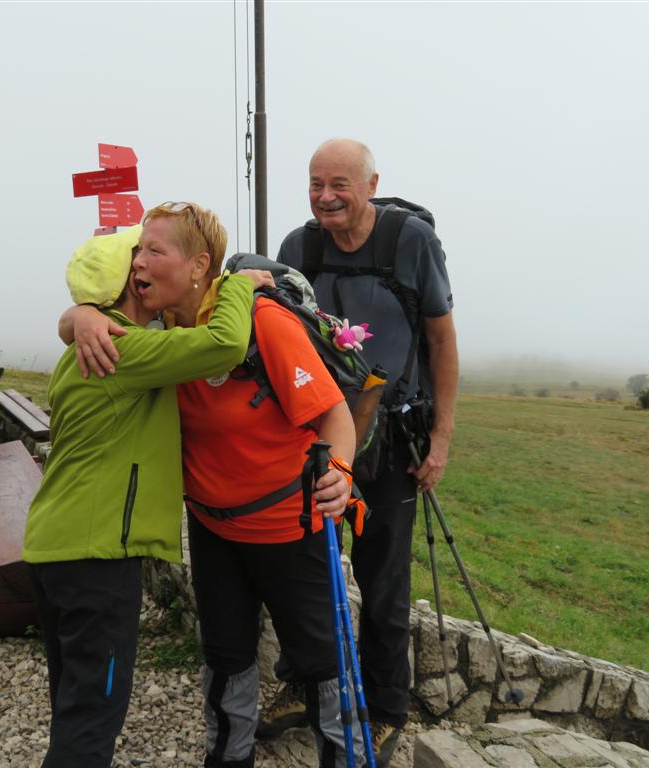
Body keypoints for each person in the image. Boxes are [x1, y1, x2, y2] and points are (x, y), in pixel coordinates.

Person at [65, 201, 364, 768]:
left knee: (322, 660)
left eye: (155, 251)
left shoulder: (261, 322)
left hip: (288, 526)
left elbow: (335, 416)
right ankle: (228, 759)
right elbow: (87, 326)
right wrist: (79, 315)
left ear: (200, 264)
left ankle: (343, 757)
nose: (138, 263)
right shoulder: (157, 327)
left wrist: (342, 473)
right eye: (137, 250)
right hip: (212, 527)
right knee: (224, 658)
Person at [25, 223, 272, 768]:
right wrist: (236, 284)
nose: (146, 270)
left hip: (54, 550)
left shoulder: (88, 343)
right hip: (97, 558)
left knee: (74, 708)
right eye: (138, 261)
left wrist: (77, 316)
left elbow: (75, 321)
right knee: (92, 722)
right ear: (125, 287)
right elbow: (224, 344)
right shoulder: (122, 349)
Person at [262, 138, 459, 767]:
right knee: (307, 571)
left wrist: (442, 440)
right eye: (316, 183)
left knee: (383, 579)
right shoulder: (299, 249)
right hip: (317, 435)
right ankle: (306, 684)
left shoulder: (410, 243)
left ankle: (384, 710)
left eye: (339, 184)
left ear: (371, 183)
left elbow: (441, 338)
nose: (325, 197)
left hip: (395, 439)